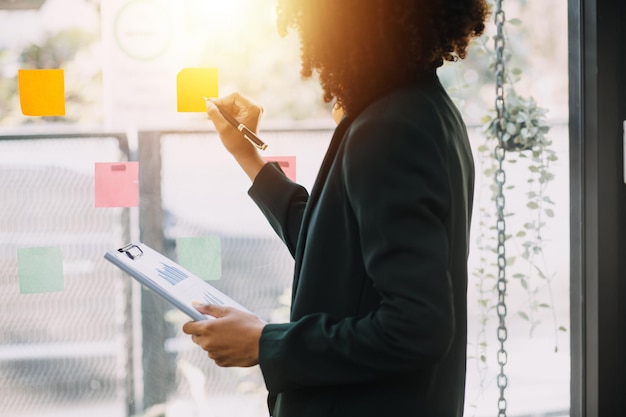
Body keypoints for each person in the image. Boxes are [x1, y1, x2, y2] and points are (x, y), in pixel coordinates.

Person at [182, 1, 488, 416]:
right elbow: (331, 246)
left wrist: (263, 343)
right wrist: (248, 156)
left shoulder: (388, 127)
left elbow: (418, 326)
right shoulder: (424, 109)